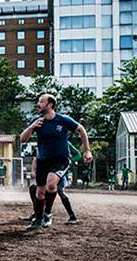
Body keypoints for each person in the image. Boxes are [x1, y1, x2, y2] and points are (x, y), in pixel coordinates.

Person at [20, 93, 92, 230]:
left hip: (60, 160)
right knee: (40, 192)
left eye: (41, 102)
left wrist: (87, 150)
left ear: (50, 104)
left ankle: (48, 214)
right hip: (43, 161)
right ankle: (38, 217)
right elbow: (22, 139)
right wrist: (31, 127)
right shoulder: (37, 121)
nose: (38, 104)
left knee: (51, 184)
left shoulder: (63, 120)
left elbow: (81, 129)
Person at [28, 140, 82, 226]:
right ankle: (38, 213)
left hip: (59, 172)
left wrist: (70, 161)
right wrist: (33, 170)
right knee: (34, 188)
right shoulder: (44, 142)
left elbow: (78, 155)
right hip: (47, 171)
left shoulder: (65, 142)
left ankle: (72, 216)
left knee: (60, 191)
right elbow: (36, 158)